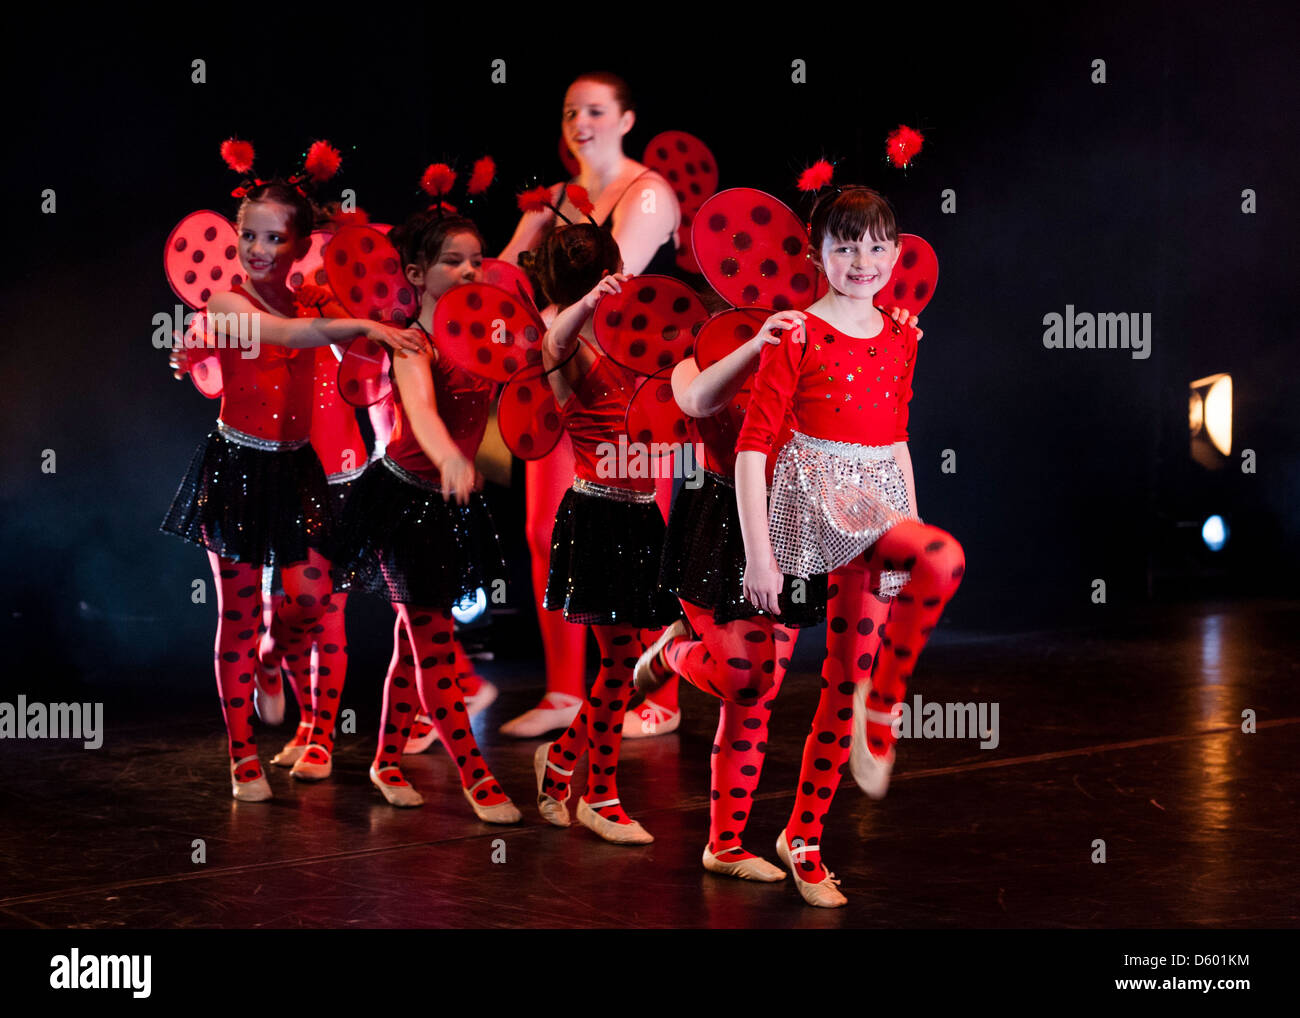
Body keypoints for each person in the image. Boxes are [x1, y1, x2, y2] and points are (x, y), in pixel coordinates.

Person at [734, 187, 964, 906]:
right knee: (746, 679)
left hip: (876, 507)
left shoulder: (902, 334)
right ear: (817, 254)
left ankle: (804, 835)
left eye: (874, 247)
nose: (861, 261)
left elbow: (895, 438)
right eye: (844, 245)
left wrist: (912, 531)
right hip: (808, 501)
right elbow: (750, 449)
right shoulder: (795, 332)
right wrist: (759, 556)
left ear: (895, 254)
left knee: (852, 670)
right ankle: (673, 654)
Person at [161, 178, 424, 801]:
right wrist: (356, 323)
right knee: (239, 613)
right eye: (248, 234)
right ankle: (242, 754)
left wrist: (371, 324)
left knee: (311, 598)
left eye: (274, 238)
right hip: (236, 469)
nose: (256, 249)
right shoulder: (228, 304)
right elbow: (282, 338)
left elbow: (355, 351)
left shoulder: (315, 304)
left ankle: (277, 663)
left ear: (301, 244)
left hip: (299, 469)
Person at [498, 71, 682, 739]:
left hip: (626, 382)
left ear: (627, 119)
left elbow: (611, 283)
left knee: (639, 534)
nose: (582, 122)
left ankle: (661, 694)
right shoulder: (555, 198)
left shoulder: (650, 193)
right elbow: (502, 277)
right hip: (558, 373)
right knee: (547, 532)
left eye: (597, 110)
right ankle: (564, 692)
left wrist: (534, 320)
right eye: (572, 109)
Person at [332, 210, 521, 823]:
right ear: (416, 273)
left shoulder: (484, 333)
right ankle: (476, 776)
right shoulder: (412, 340)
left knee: (412, 641)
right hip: (404, 499)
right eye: (452, 261)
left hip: (445, 500)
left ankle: (385, 759)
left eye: (475, 259)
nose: (469, 270)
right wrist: (449, 460)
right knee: (433, 642)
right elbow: (420, 414)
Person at [531, 224, 679, 844]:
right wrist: (586, 306)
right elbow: (552, 338)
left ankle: (563, 760)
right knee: (619, 659)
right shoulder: (565, 349)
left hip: (644, 514)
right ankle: (600, 795)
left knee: (639, 660)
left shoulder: (638, 342)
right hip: (596, 515)